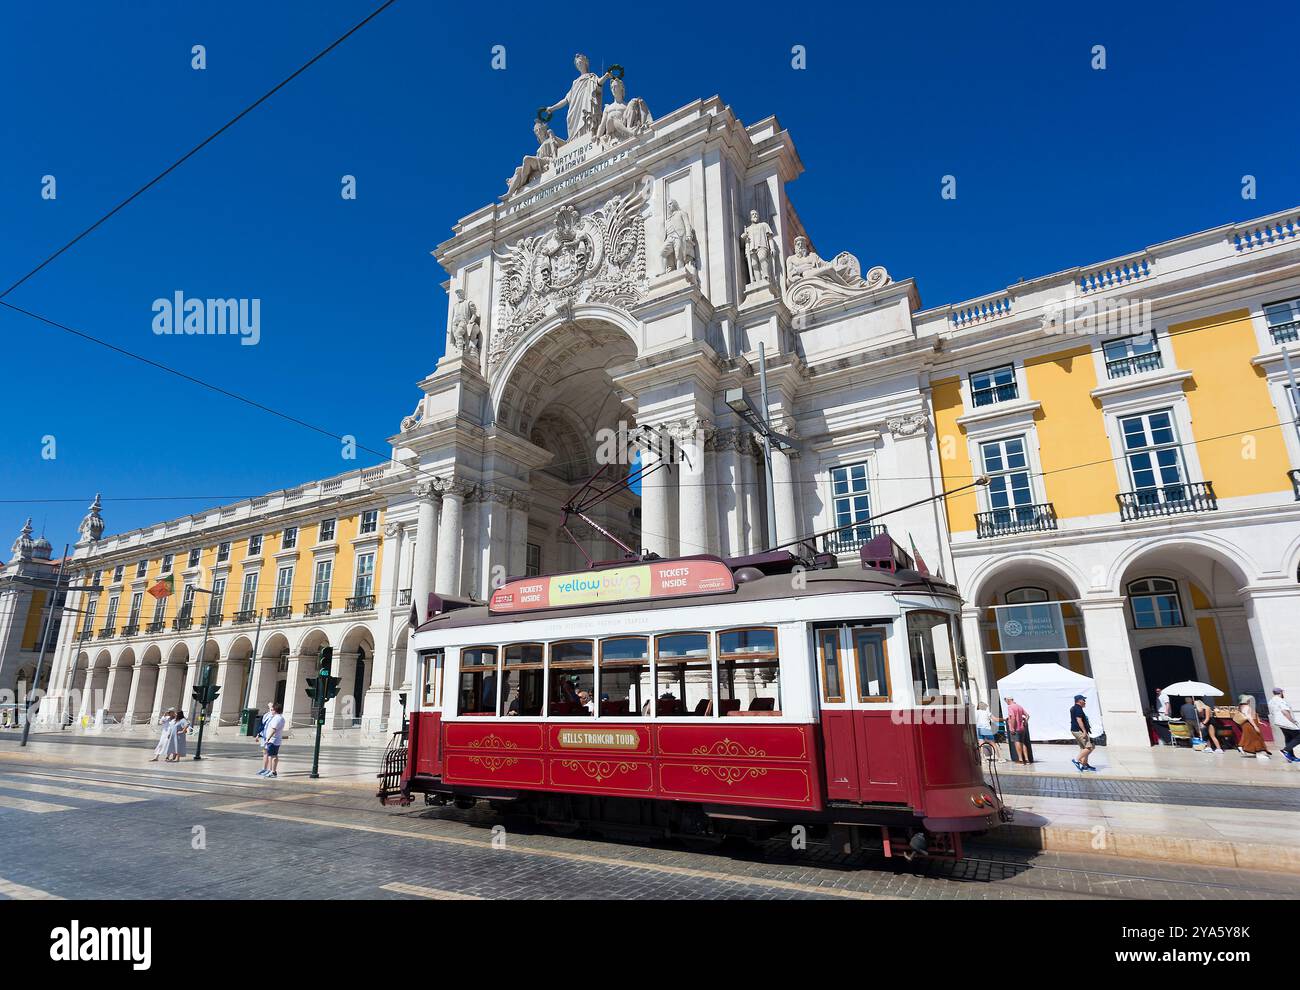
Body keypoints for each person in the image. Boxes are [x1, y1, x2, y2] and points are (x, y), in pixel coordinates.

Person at [1268, 688, 1300, 764]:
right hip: (1286, 722)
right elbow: (1284, 711)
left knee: (1288, 738)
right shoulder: (1280, 700)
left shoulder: (1271, 701)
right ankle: (1285, 750)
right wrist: (1293, 721)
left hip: (1278, 722)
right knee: (1298, 736)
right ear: (1281, 692)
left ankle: (1291, 757)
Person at [1234, 695, 1271, 759]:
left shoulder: (1242, 707)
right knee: (1256, 737)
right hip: (1250, 724)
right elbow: (1249, 717)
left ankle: (1242, 746)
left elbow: (1252, 715)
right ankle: (1259, 753)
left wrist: (1258, 722)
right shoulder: (1247, 707)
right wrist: (1255, 726)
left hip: (1248, 724)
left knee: (1250, 737)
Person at [1070, 694, 1097, 772]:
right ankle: (1076, 760)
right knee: (1090, 747)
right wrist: (1084, 731)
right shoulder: (1078, 709)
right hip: (1079, 731)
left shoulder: (1074, 708)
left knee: (1084, 748)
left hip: (1075, 730)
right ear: (1079, 701)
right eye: (1083, 700)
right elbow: (1079, 720)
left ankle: (1084, 765)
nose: (1085, 701)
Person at [259, 702, 286, 778]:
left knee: (273, 756)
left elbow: (273, 729)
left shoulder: (277, 718)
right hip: (275, 740)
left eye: (272, 709)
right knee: (271, 755)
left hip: (273, 740)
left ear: (275, 710)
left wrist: (268, 738)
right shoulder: (280, 718)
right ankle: (271, 771)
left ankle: (273, 771)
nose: (271, 711)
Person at [1005, 696, 1031, 765]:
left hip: (1015, 729)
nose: (1006, 702)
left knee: (1017, 743)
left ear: (1008, 700)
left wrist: (1012, 728)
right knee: (1023, 743)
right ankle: (1027, 760)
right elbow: (1027, 715)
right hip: (1022, 728)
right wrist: (1025, 722)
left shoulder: (1010, 707)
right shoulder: (1019, 706)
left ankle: (1020, 760)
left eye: (1006, 700)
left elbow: (1013, 717)